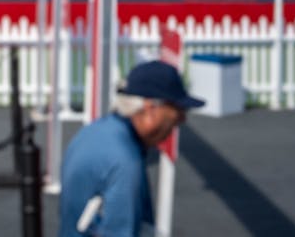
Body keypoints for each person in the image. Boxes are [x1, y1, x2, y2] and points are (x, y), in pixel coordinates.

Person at [58, 60, 205, 237]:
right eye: (177, 111)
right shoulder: (124, 162)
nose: (181, 120)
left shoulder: (96, 131)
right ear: (150, 109)